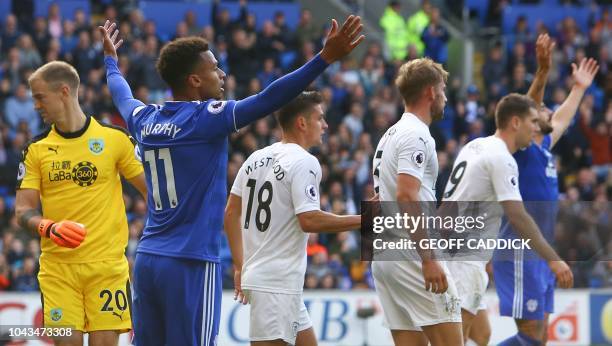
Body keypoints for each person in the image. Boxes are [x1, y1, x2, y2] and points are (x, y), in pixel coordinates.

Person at [99, 14, 364, 346]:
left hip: (149, 259)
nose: (221, 74)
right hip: (191, 261)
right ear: (195, 80)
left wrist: (111, 62)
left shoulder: (144, 119)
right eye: (214, 68)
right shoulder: (205, 120)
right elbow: (270, 98)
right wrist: (324, 58)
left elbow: (121, 96)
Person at [14, 60, 147, 346]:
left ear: (63, 91)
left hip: (107, 268)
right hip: (58, 270)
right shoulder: (35, 150)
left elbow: (154, 194)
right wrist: (48, 227)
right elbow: (22, 211)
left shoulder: (115, 140)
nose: (36, 105)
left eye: (40, 97)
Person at [224, 91, 361, 345]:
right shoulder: (305, 162)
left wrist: (239, 264)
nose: (326, 125)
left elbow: (231, 213)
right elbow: (309, 220)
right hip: (277, 282)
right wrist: (363, 220)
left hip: (273, 279)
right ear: (302, 123)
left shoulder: (256, 157)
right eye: (320, 118)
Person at [441, 93, 574, 345]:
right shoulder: (502, 158)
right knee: (454, 340)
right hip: (463, 258)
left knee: (481, 335)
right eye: (533, 122)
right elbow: (518, 217)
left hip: (456, 252)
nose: (537, 128)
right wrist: (554, 260)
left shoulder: (476, 145)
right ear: (516, 123)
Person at [493, 34, 599, 346]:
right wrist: (542, 72)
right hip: (519, 250)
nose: (551, 111)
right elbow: (531, 103)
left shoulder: (545, 149)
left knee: (540, 338)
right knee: (529, 337)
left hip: (542, 251)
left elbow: (564, 116)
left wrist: (579, 88)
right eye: (543, 111)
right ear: (529, 121)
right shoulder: (520, 150)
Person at [371, 57, 463, 346]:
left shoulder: (390, 135)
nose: (445, 97)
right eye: (443, 90)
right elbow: (406, 196)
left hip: (385, 253)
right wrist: (428, 258)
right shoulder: (415, 134)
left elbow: (382, 198)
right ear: (430, 92)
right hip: (411, 254)